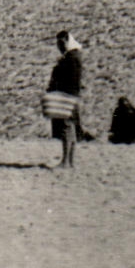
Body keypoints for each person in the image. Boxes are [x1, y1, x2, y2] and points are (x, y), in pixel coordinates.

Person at [45, 31, 84, 169]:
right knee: (70, 128)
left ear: (67, 40)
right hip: (70, 97)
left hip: (66, 98)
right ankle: (69, 162)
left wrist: (62, 94)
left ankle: (66, 162)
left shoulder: (72, 58)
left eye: (61, 43)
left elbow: (71, 80)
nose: (59, 46)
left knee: (66, 128)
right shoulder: (73, 56)